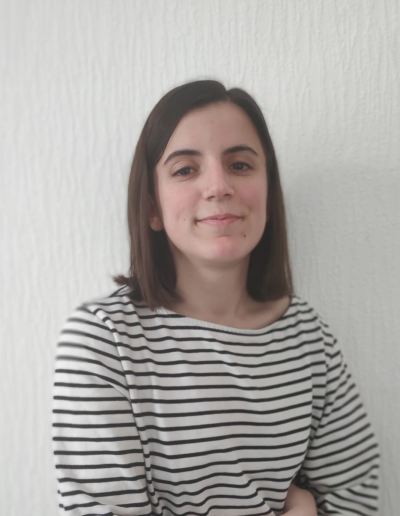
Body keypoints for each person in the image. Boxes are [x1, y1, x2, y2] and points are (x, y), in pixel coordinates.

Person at [51, 80, 380, 516]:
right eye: (185, 170)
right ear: (152, 207)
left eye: (240, 165)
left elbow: (357, 495)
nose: (218, 186)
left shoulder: (308, 337)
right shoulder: (103, 341)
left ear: (268, 192)